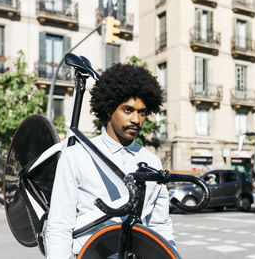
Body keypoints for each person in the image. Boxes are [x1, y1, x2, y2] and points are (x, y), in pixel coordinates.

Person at [45, 63, 175, 259]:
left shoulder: (152, 162)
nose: (136, 119)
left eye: (142, 112)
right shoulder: (77, 156)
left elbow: (160, 224)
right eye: (128, 110)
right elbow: (60, 224)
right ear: (108, 109)